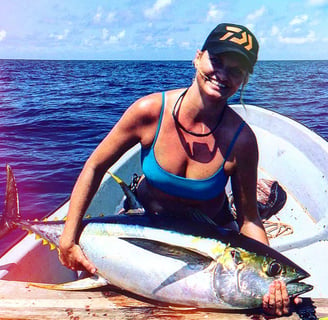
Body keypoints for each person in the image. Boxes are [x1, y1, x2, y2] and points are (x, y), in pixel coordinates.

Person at [59, 23, 298, 316]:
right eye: (217, 61)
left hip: (210, 248)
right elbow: (95, 166)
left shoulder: (242, 140)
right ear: (198, 57)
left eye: (236, 71)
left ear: (244, 80)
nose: (222, 75)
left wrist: (272, 279)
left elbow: (249, 220)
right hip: (141, 229)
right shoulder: (148, 112)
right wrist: (68, 239)